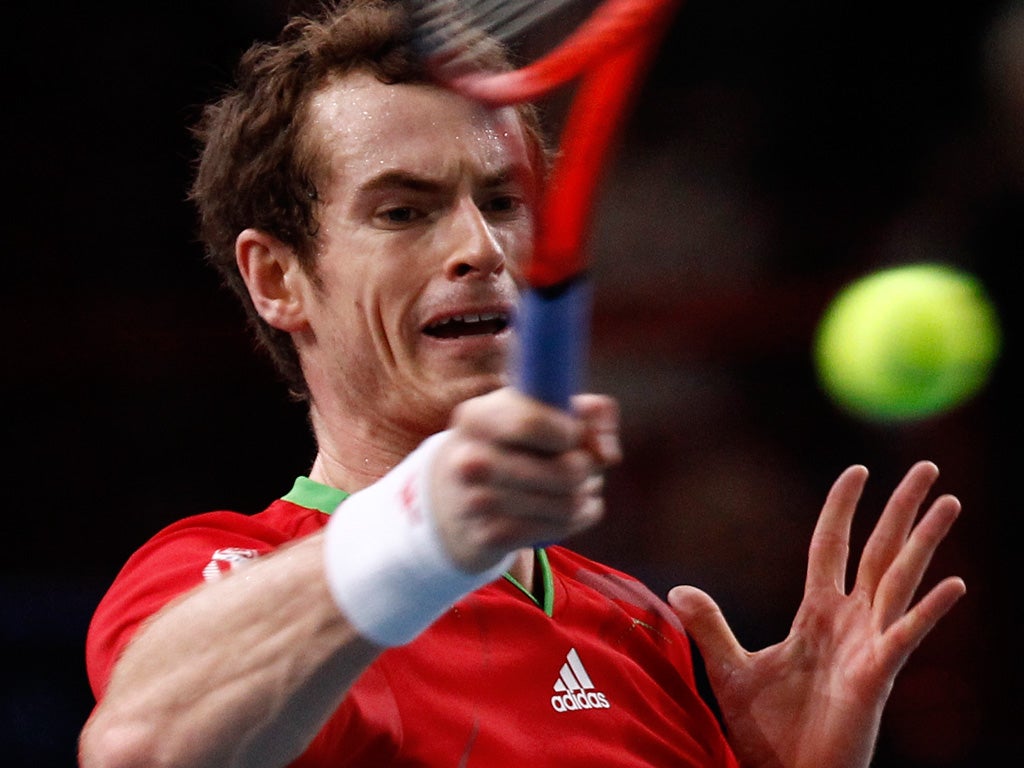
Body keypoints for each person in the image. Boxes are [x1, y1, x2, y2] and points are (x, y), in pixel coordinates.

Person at [78, 2, 967, 766]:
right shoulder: (217, 572)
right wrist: (428, 523)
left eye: (502, 202)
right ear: (278, 279)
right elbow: (137, 746)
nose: (480, 248)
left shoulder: (642, 633)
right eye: (403, 211)